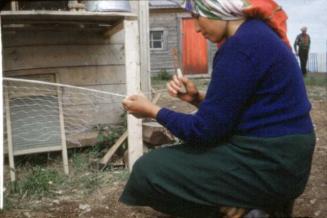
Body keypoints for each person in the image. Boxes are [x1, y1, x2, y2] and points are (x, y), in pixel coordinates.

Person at [120, 0, 316, 217]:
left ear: (218, 9)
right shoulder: (257, 34)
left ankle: (246, 206)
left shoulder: (240, 48)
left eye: (197, 16)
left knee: (149, 170)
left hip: (270, 162)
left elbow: (203, 132)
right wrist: (196, 99)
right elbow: (240, 109)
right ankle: (253, 202)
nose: (195, 26)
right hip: (286, 159)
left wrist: (152, 110)